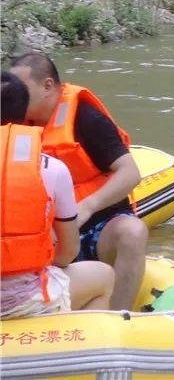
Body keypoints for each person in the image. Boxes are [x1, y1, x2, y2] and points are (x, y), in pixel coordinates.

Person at [9, 53, 147, 312]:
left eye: (22, 90)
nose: (16, 96)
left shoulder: (87, 119)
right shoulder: (11, 123)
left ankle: (119, 318)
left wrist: (87, 206)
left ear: (48, 85)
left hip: (97, 223)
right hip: (46, 233)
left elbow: (130, 173)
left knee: (133, 232)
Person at [1, 71, 114, 318]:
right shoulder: (51, 168)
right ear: (24, 115)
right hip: (23, 300)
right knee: (104, 276)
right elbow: (68, 252)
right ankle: (83, 350)